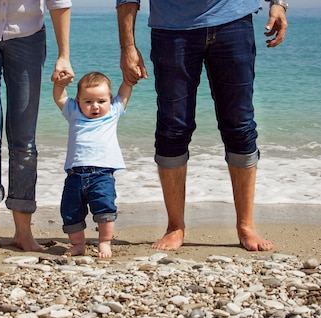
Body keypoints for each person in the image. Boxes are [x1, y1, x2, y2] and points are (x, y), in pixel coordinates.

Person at [116, 0, 288, 251]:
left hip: (234, 20)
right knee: (173, 127)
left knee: (240, 125)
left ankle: (246, 226)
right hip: (171, 29)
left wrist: (278, 4)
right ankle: (175, 227)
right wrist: (128, 46)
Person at [0, 0, 74, 256]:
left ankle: (23, 231)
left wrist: (63, 55)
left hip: (28, 35)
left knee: (24, 138)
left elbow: (59, 1)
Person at [53, 72, 134, 258]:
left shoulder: (113, 112)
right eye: (88, 101)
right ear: (78, 101)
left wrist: (129, 79)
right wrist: (60, 84)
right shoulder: (73, 113)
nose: (95, 106)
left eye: (101, 101)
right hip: (75, 175)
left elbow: (124, 92)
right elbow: (60, 97)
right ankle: (78, 244)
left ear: (110, 100)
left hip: (102, 175)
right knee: (70, 211)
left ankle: (104, 242)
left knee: (105, 208)